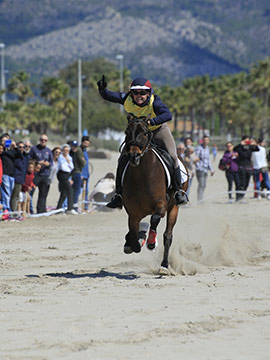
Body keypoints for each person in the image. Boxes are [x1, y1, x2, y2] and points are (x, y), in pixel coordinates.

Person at [97, 75, 187, 208]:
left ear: (149, 93)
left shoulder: (155, 102)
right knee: (122, 158)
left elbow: (168, 114)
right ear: (131, 93)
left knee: (173, 156)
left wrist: (153, 121)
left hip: (157, 130)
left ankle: (178, 191)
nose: (139, 96)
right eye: (135, 93)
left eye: (143, 93)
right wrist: (102, 89)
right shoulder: (127, 98)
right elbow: (110, 96)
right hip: (138, 134)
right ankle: (118, 195)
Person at [28, 134, 53, 213]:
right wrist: (38, 162)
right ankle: (29, 210)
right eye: (42, 140)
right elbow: (29, 159)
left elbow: (52, 162)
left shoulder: (48, 150)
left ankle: (41, 210)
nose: (43, 141)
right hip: (35, 174)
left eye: (45, 140)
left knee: (43, 194)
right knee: (31, 192)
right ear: (39, 140)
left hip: (45, 174)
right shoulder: (34, 149)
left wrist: (47, 164)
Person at [0, 137, 23, 212]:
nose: (6, 142)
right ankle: (6, 208)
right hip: (5, 174)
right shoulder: (2, 151)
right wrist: (3, 146)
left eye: (7, 141)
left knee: (9, 192)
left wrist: (15, 146)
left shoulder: (12, 151)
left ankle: (7, 208)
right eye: (4, 141)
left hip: (12, 174)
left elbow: (20, 156)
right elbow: (3, 153)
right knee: (6, 192)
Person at [233, 136, 259, 201]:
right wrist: (241, 144)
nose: (247, 142)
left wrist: (254, 144)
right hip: (241, 167)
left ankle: (242, 196)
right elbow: (234, 149)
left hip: (248, 168)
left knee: (246, 184)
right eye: (245, 140)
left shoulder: (250, 147)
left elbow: (257, 149)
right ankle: (238, 197)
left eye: (248, 140)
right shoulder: (240, 148)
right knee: (242, 183)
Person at [56, 144, 77, 215]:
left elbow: (72, 167)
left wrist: (68, 161)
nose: (66, 152)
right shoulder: (60, 157)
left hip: (68, 175)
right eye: (64, 150)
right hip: (62, 174)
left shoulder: (69, 157)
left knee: (64, 193)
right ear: (62, 151)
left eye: (67, 150)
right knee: (70, 190)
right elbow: (61, 166)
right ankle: (70, 208)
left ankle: (58, 208)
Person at [195, 135, 214, 202]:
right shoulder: (199, 148)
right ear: (202, 141)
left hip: (206, 169)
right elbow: (196, 158)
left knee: (204, 185)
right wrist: (198, 167)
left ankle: (201, 198)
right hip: (200, 169)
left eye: (207, 140)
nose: (206, 141)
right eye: (205, 140)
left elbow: (208, 160)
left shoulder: (207, 148)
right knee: (201, 184)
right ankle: (200, 199)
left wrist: (211, 169)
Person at [10, 141, 28, 212]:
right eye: (20, 147)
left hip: (21, 179)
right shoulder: (15, 155)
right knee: (15, 196)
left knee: (18, 196)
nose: (22, 148)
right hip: (16, 178)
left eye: (23, 147)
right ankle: (13, 211)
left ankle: (15, 210)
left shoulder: (24, 156)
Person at [70, 140, 86, 212]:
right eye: (73, 146)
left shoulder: (70, 152)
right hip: (76, 173)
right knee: (76, 191)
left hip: (73, 173)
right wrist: (83, 160)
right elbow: (83, 163)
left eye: (75, 146)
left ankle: (72, 206)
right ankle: (74, 208)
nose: (74, 148)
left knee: (73, 191)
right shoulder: (79, 151)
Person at [80, 136, 91, 211]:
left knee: (86, 191)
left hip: (86, 174)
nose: (86, 145)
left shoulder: (85, 151)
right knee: (79, 191)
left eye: (88, 143)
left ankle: (85, 207)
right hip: (80, 175)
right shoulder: (79, 150)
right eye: (85, 143)